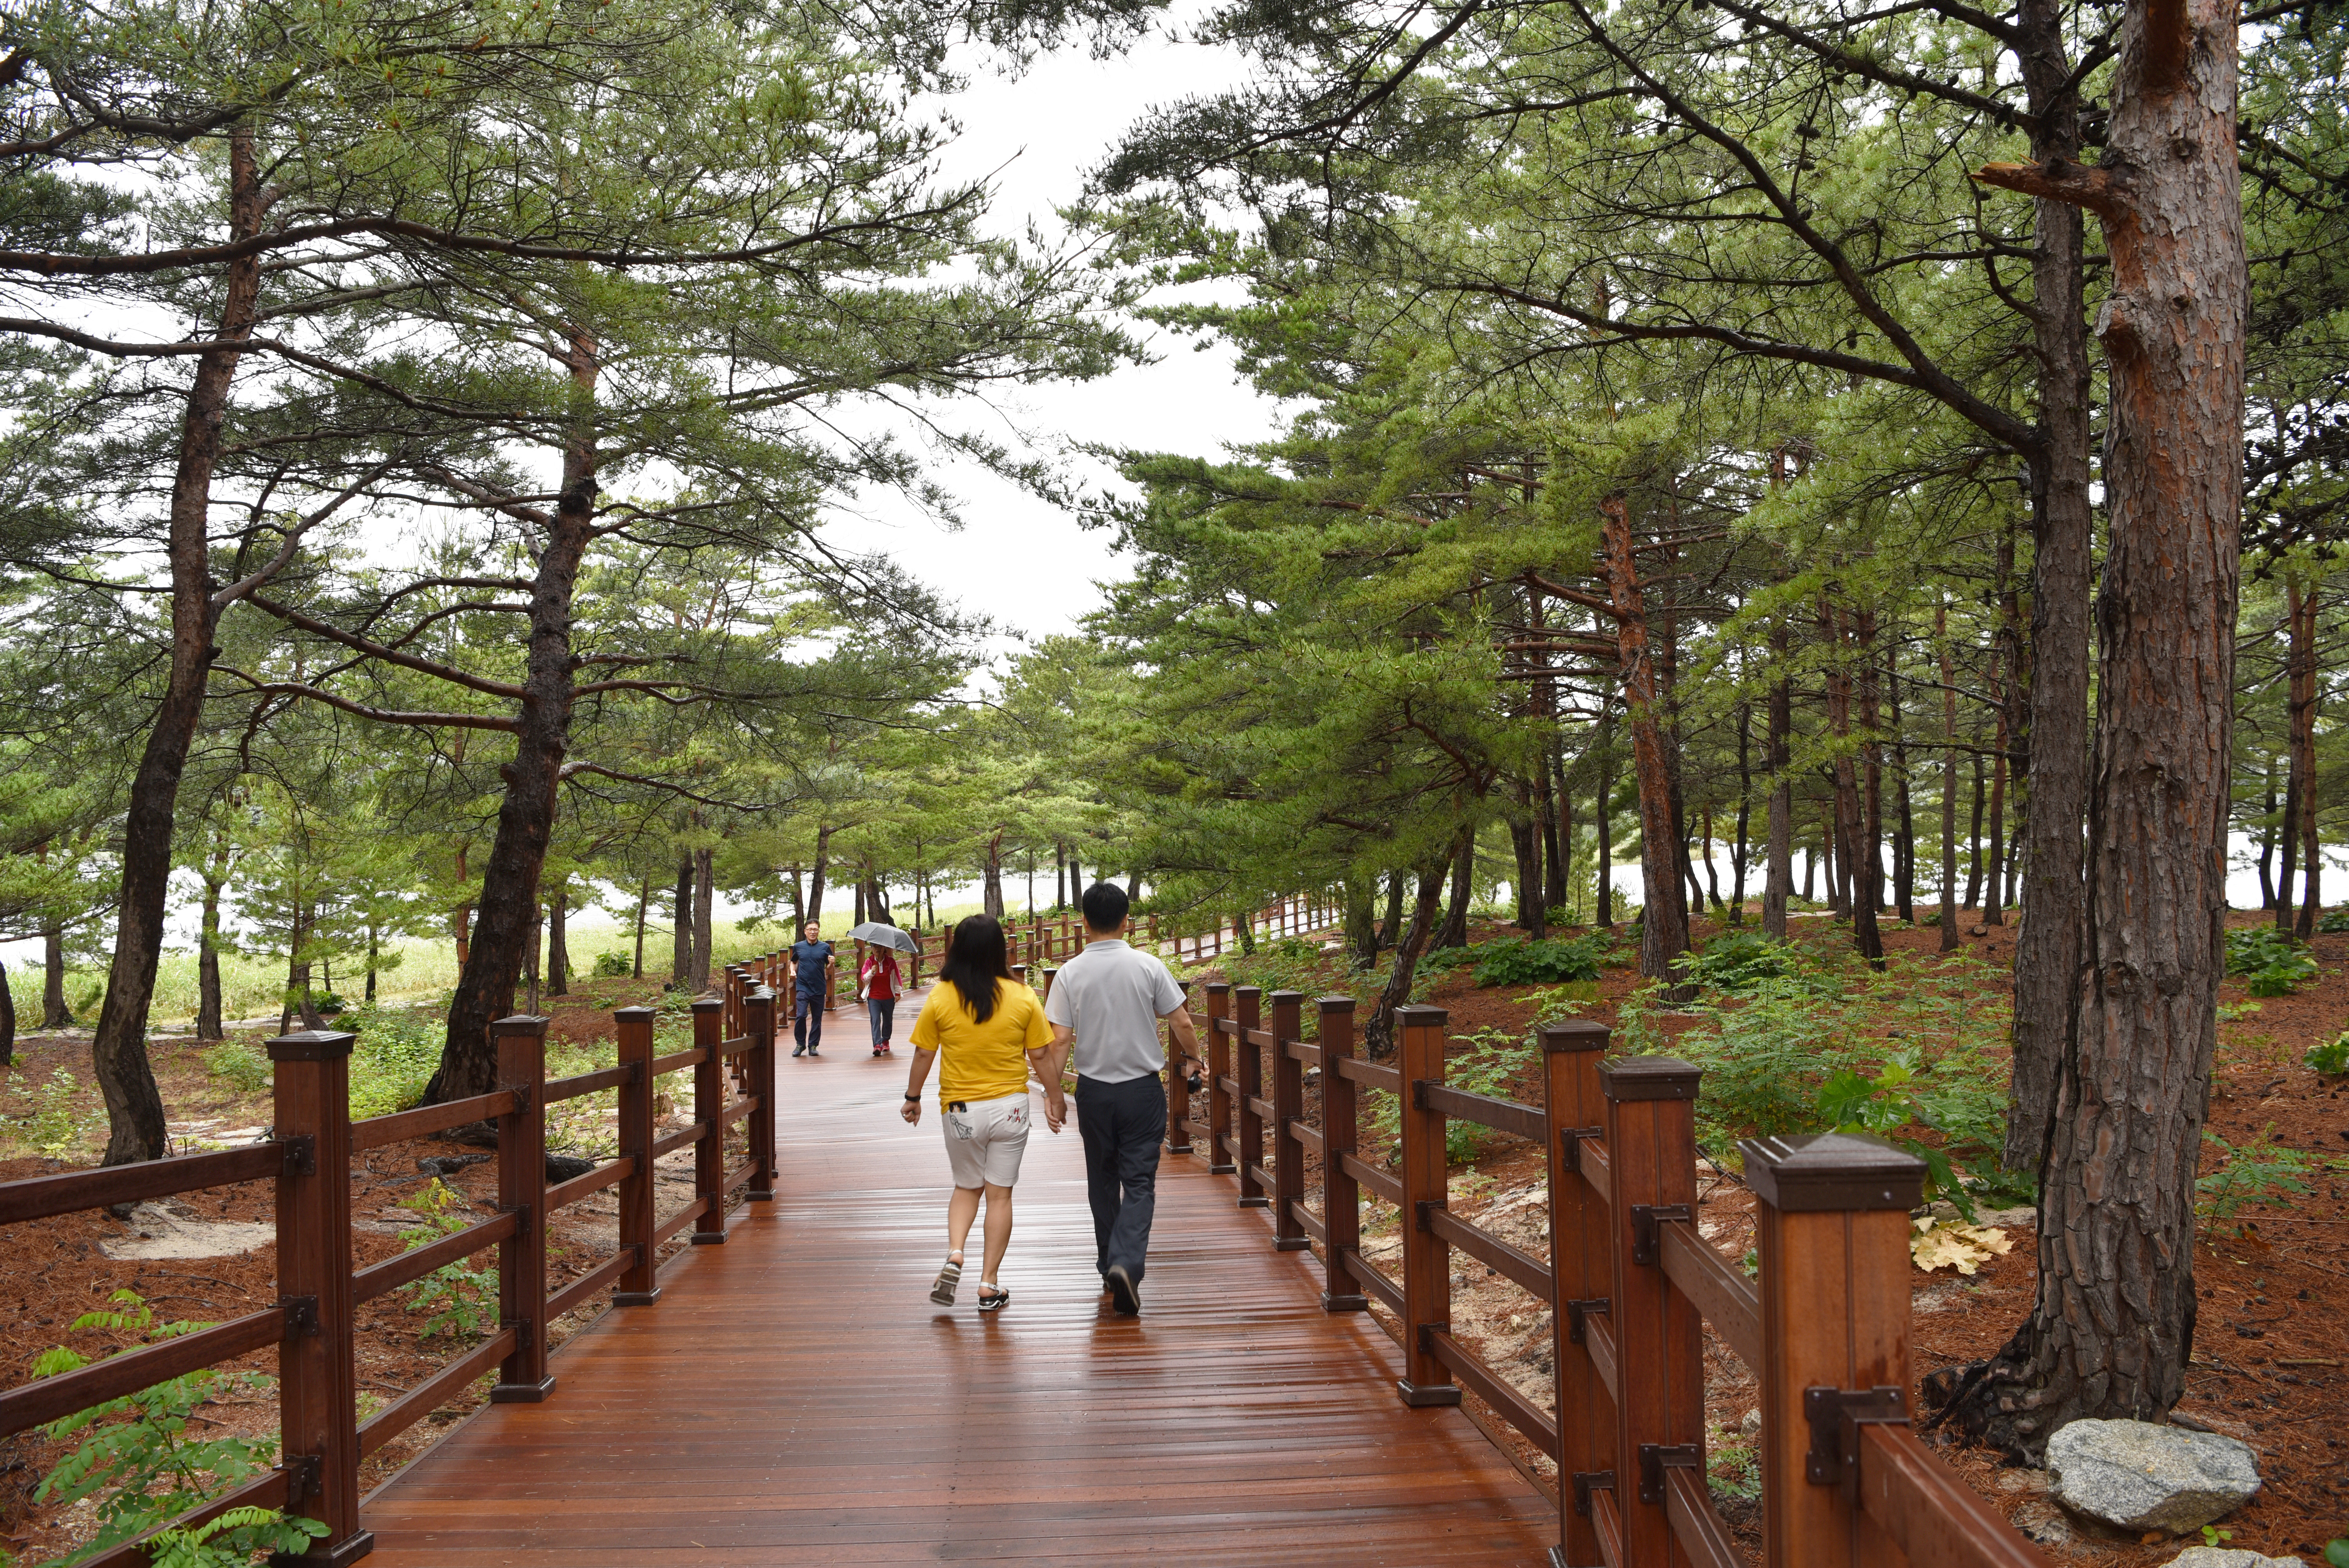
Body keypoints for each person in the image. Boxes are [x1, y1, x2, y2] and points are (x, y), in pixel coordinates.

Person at [1041, 881, 1196, 1317]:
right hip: (1141, 1090)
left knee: (1102, 1177)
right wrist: (1196, 1056)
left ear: (1084, 922)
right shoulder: (1147, 965)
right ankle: (1126, 1263)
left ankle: (1110, 1260)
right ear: (1127, 920)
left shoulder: (1070, 973)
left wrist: (1055, 1095)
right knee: (1140, 1180)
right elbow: (1181, 1020)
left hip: (1094, 1091)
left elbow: (1059, 1041)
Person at [900, 914, 1055, 1312]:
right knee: (1000, 1194)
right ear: (999, 949)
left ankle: (955, 1252)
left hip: (960, 1109)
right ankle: (989, 1283)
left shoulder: (941, 995)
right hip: (1010, 1108)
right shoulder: (1022, 995)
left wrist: (913, 1096)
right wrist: (1055, 1096)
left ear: (958, 949)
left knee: (967, 1186)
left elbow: (923, 1052)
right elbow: (1039, 1053)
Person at [787, 921, 835, 1058]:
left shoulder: (825, 947)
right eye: (811, 929)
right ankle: (800, 1044)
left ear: (819, 931)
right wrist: (792, 971)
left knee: (817, 1018)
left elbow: (828, 968)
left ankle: (813, 1045)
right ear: (805, 931)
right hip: (803, 986)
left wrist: (831, 964)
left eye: (816, 929)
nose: (813, 932)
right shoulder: (799, 947)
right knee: (801, 1015)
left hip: (819, 987)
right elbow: (794, 962)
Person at [859, 939, 902, 1057]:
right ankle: (877, 1045)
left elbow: (896, 977)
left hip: (889, 997)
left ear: (884, 948)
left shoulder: (891, 962)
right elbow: (864, 978)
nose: (877, 949)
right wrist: (871, 972)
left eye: (880, 947)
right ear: (872, 948)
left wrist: (898, 993)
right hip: (874, 997)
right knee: (875, 1019)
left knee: (888, 1020)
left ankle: (886, 1040)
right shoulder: (869, 962)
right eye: (875, 947)